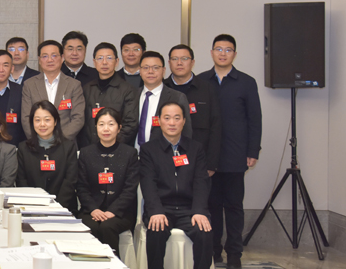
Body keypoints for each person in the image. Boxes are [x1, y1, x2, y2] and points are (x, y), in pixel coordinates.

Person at [198, 34, 262, 269]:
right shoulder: (201, 80)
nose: (223, 53)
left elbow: (255, 119)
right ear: (211, 52)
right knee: (211, 205)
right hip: (208, 156)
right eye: (218, 49)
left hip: (235, 153)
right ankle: (214, 250)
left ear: (235, 54)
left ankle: (234, 253)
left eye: (228, 50)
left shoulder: (246, 82)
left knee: (234, 206)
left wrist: (252, 150)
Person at [140, 102, 213, 269]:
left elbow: (201, 182)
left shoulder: (196, 149)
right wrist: (155, 211)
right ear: (159, 121)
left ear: (184, 121)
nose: (172, 123)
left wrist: (199, 211)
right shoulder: (149, 150)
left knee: (204, 232)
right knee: (156, 231)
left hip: (189, 209)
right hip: (162, 208)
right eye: (167, 118)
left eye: (177, 118)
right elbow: (148, 183)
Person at [76, 107, 139, 256]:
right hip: (91, 210)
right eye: (101, 124)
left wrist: (113, 210)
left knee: (107, 227)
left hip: (121, 212)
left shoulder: (130, 153)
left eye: (111, 124)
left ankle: (112, 264)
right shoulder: (86, 153)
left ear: (119, 128)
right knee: (90, 226)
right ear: (96, 127)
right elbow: (81, 186)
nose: (106, 129)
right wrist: (93, 209)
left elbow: (130, 189)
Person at [164, 44, 222, 175]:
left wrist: (211, 163)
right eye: (175, 59)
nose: (179, 63)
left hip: (199, 159)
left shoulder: (207, 89)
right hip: (166, 160)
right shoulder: (162, 88)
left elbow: (216, 126)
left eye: (184, 58)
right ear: (169, 63)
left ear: (192, 62)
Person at [16, 100, 78, 214]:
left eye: (47, 120)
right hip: (32, 208)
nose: (42, 124)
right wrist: (35, 206)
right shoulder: (23, 148)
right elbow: (22, 181)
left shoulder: (68, 147)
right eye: (37, 120)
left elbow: (70, 181)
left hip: (63, 208)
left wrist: (56, 207)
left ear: (55, 122)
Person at [21, 40, 85, 141]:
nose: (50, 60)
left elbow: (78, 118)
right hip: (37, 144)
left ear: (62, 58)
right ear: (39, 60)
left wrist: (59, 141)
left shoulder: (74, 85)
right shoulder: (29, 85)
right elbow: (26, 118)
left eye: (54, 55)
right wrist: (40, 141)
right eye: (45, 56)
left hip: (65, 144)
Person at [78, 43, 138, 149]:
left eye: (109, 58)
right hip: (89, 149)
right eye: (100, 58)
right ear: (94, 62)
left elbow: (130, 124)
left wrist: (110, 143)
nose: (104, 62)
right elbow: (82, 121)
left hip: (117, 149)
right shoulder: (87, 89)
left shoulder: (128, 90)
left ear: (117, 61)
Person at [134, 51, 191, 149]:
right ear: (140, 71)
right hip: (133, 154)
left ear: (163, 70)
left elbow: (186, 132)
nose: (150, 71)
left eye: (156, 68)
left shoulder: (177, 97)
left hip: (164, 154)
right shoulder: (131, 95)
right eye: (146, 68)